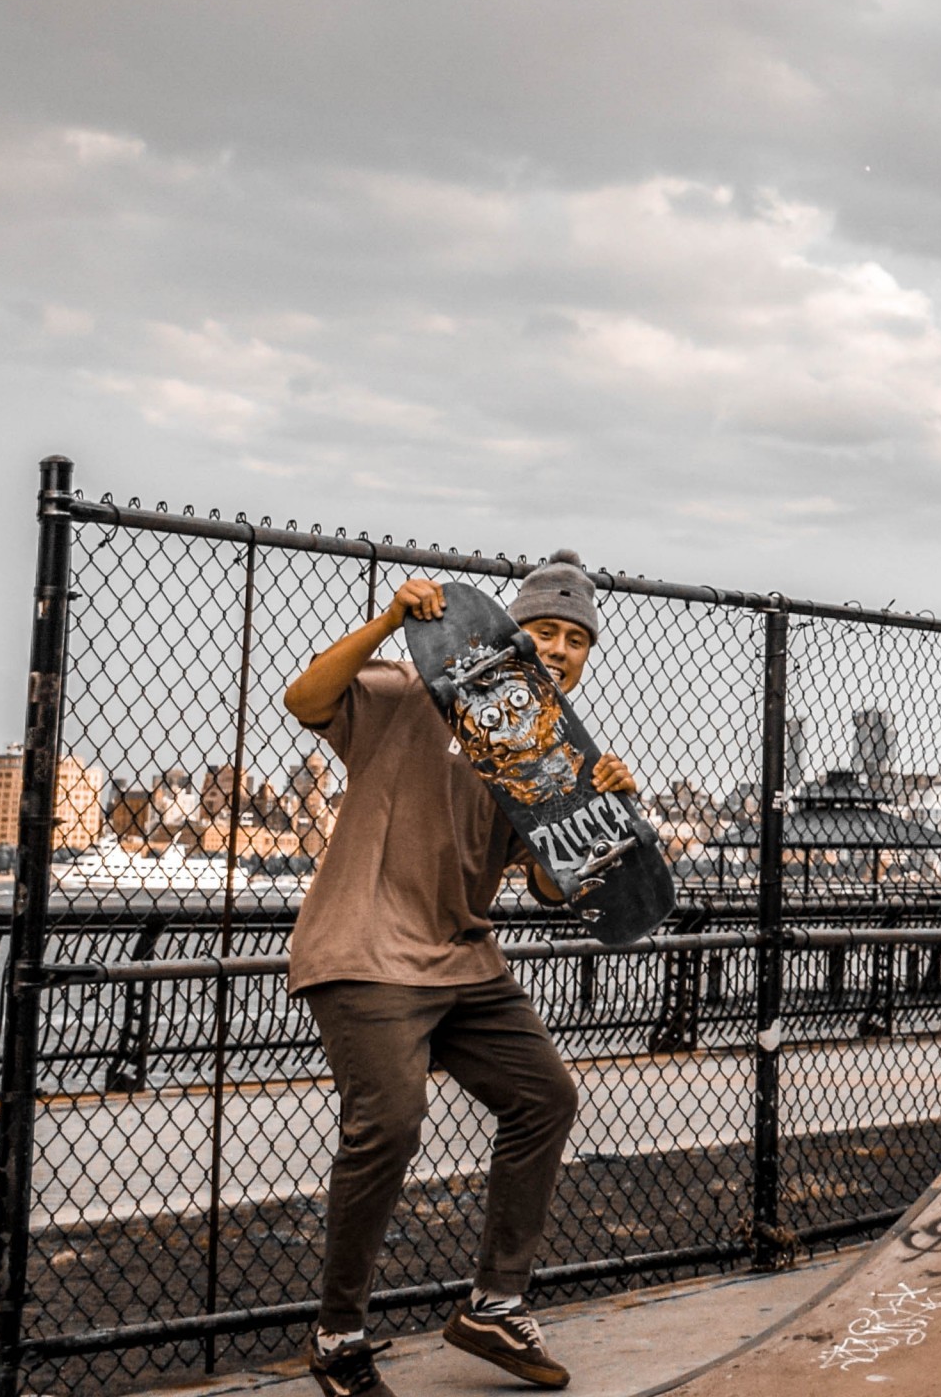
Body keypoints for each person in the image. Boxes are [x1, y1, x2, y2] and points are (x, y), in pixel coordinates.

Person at [279, 552, 635, 1397]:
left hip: (464, 959)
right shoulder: (411, 694)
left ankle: (494, 1306)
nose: (558, 648)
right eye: (543, 631)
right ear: (511, 637)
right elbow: (305, 700)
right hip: (364, 947)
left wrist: (602, 807)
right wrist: (390, 622)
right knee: (391, 1125)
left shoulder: (551, 757)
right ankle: (338, 1336)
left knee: (544, 1095)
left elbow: (555, 887)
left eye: (576, 639)